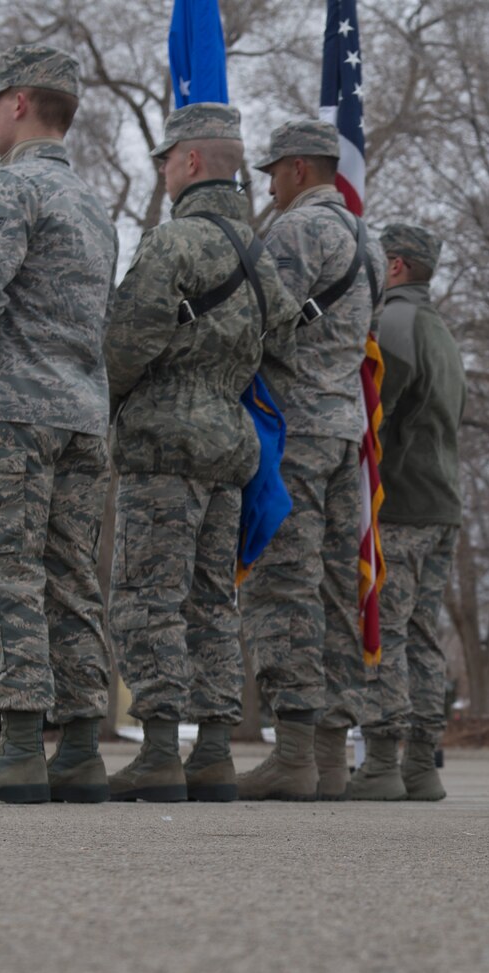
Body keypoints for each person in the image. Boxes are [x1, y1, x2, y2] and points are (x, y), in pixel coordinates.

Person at [0, 45, 119, 805]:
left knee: (2, 570)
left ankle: (16, 747)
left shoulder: (8, 190)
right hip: (82, 416)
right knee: (73, 581)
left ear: (18, 103)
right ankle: (78, 748)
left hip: (12, 411)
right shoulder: (93, 207)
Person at [97, 103, 299, 803]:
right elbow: (287, 347)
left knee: (149, 595)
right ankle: (213, 751)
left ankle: (157, 749)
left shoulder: (173, 245)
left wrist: (111, 402)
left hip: (163, 444)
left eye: (164, 160)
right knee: (214, 601)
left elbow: (123, 347)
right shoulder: (258, 255)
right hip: (229, 447)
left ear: (187, 162)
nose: (160, 172)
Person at [234, 120, 386, 802]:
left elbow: (262, 321)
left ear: (298, 169)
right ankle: (328, 755)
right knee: (332, 589)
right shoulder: (370, 240)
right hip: (343, 433)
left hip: (292, 430)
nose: (268, 185)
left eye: (273, 172)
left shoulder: (296, 233)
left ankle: (293, 750)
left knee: (286, 585)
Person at [345, 223, 465, 802]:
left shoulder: (393, 322)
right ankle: (421, 764)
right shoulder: (441, 330)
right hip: (441, 504)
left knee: (385, 632)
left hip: (399, 505)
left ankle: (383, 763)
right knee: (422, 635)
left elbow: (376, 416)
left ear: (394, 267)